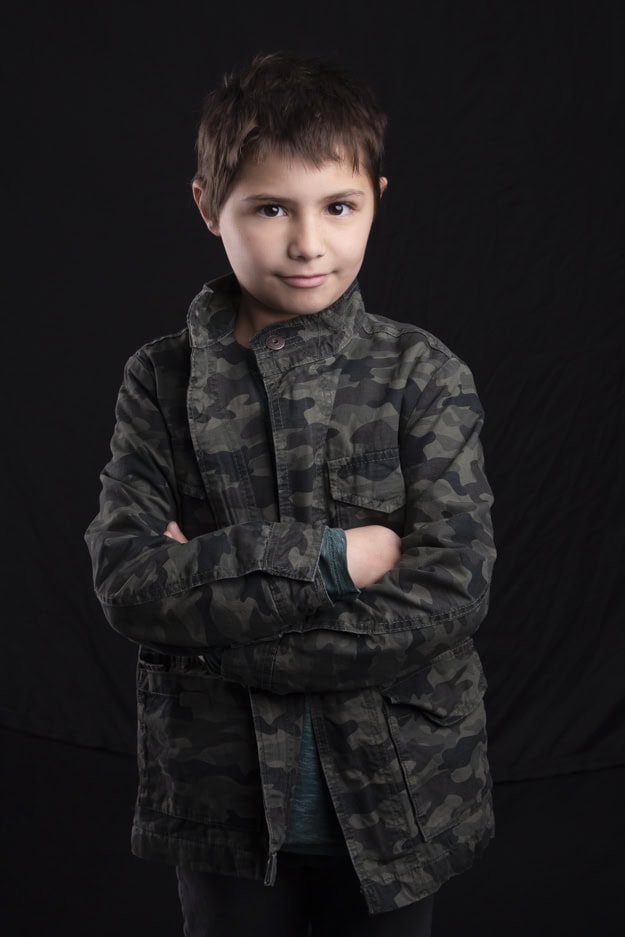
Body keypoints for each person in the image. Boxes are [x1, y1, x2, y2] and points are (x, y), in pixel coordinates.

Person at [84, 50, 497, 937]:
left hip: (401, 798)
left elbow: (449, 593)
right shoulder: (158, 381)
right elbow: (126, 580)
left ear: (375, 198)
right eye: (271, 209)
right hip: (220, 804)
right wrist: (328, 557)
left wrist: (211, 622)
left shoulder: (421, 375)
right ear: (208, 206)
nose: (309, 243)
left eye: (338, 207)